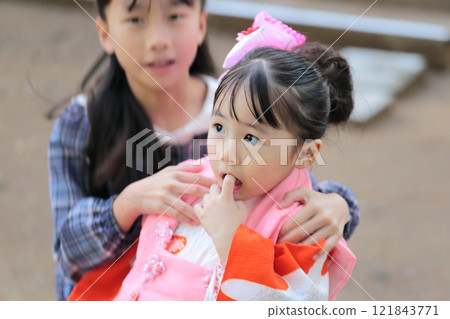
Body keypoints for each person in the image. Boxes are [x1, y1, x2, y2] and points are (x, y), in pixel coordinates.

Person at [48, 0, 358, 301]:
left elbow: (291, 184)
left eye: (175, 15)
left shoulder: (238, 99)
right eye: (135, 18)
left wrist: (340, 205)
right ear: (105, 33)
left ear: (200, 23)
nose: (158, 40)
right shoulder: (82, 123)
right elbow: (68, 254)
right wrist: (127, 204)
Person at [116, 30, 356, 300]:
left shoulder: (301, 228)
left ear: (306, 153)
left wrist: (232, 241)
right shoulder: (189, 180)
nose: (227, 153)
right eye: (219, 126)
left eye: (251, 137)